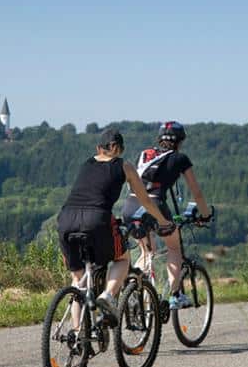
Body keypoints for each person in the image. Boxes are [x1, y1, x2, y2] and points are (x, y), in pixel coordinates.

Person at [57, 128, 174, 325]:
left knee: (79, 281)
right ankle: (109, 295)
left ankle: (77, 333)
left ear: (98, 148)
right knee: (122, 259)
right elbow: (145, 200)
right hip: (97, 219)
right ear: (119, 149)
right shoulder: (124, 166)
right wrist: (163, 221)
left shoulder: (87, 164)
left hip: (66, 220)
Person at [121, 121, 212, 310]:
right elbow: (197, 193)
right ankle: (175, 295)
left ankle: (137, 292)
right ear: (180, 141)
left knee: (147, 252)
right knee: (174, 247)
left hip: (130, 206)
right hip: (155, 205)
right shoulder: (180, 158)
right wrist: (205, 214)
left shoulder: (145, 154)